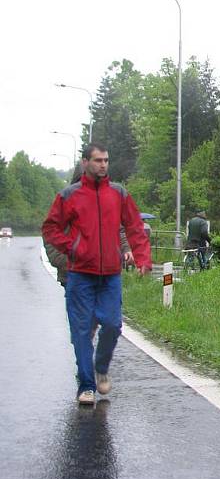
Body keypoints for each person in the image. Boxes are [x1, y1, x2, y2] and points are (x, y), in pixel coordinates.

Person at [42, 143, 152, 406]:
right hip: (80, 275)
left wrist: (143, 258)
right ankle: (87, 385)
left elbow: (134, 226)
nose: (103, 165)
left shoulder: (118, 193)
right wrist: (72, 249)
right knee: (81, 331)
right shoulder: (70, 195)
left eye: (106, 160)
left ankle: (100, 367)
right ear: (85, 163)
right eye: (98, 160)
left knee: (113, 324)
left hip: (110, 275)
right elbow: (50, 228)